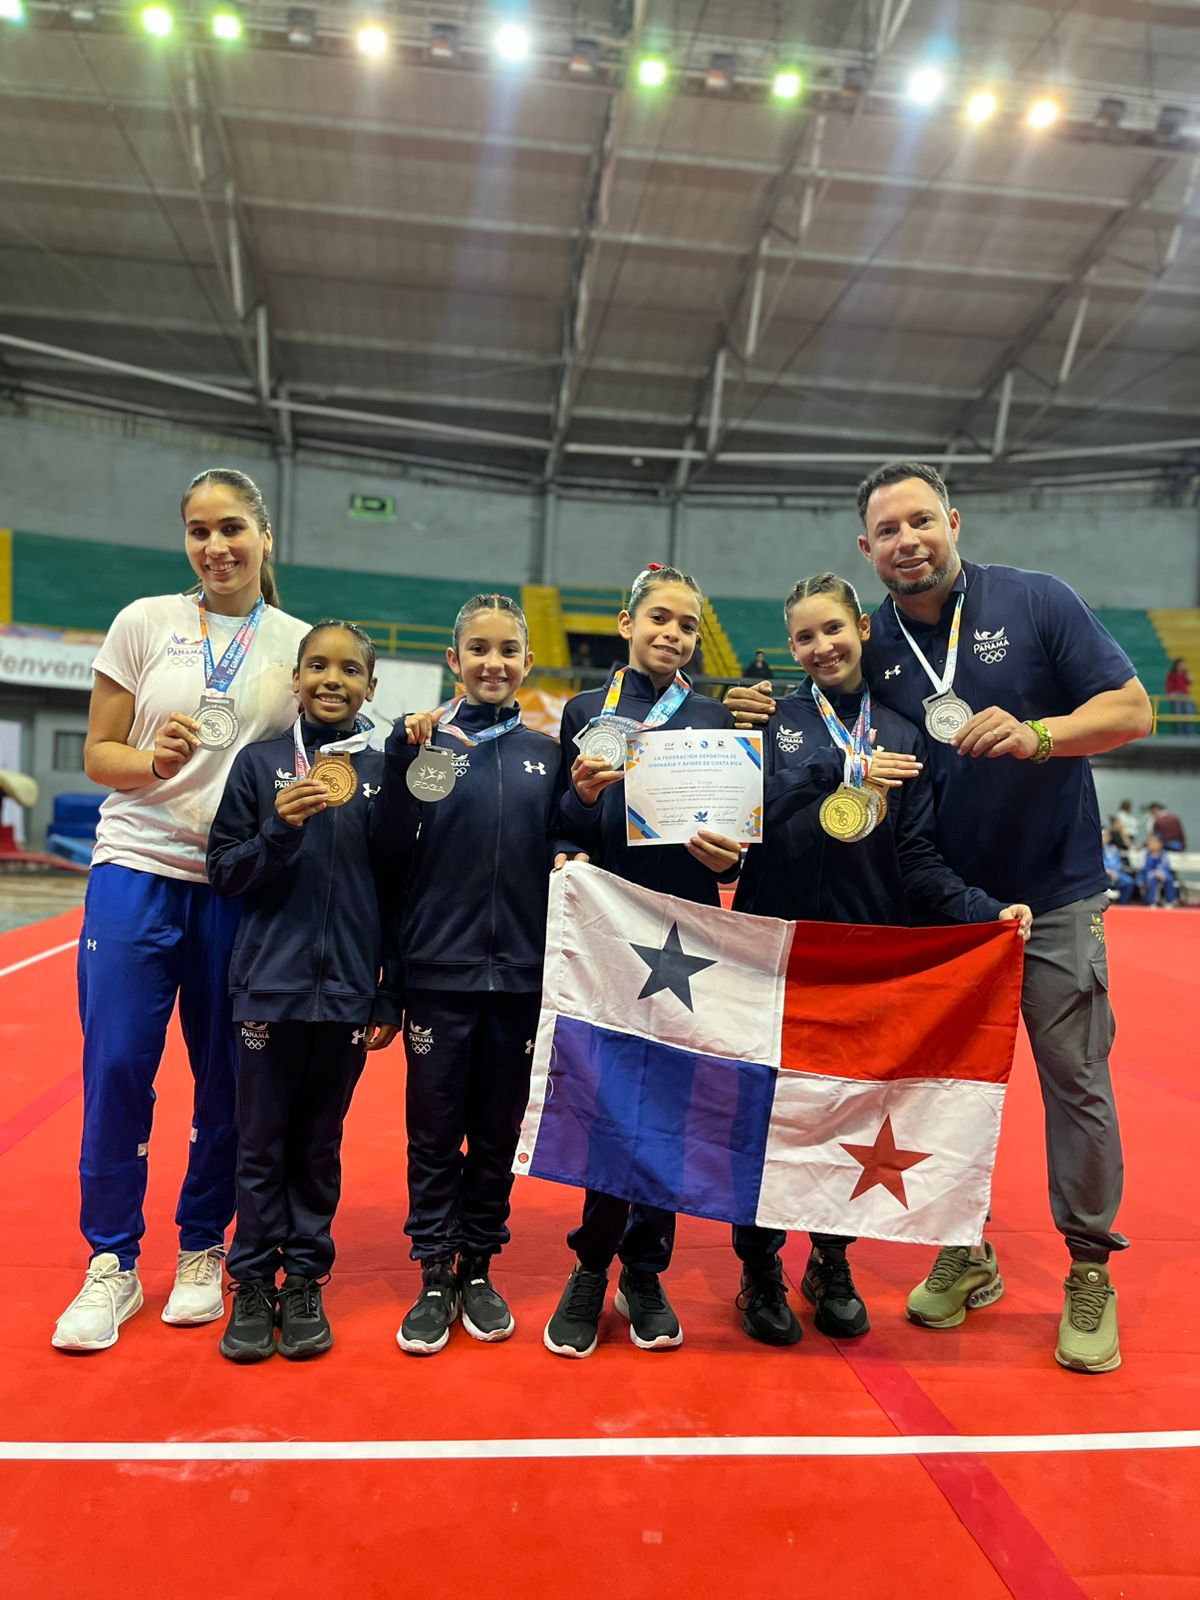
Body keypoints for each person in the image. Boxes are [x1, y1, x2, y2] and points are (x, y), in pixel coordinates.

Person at [727, 460, 1152, 1375]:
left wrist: (1042, 734)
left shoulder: (1037, 602)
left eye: (921, 521)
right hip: (936, 907)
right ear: (866, 548)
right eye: (888, 530)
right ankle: (967, 1249)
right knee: (942, 1090)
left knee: (1074, 1081)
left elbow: (1133, 710)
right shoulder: (866, 638)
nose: (908, 542)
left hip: (1055, 893)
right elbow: (817, 710)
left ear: (953, 521)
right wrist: (753, 707)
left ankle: (1088, 1270)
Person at [732, 572, 1032, 1345]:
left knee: (847, 1113)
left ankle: (831, 1258)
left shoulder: (903, 732)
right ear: (792, 646)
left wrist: (982, 910)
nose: (821, 646)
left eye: (832, 629)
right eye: (804, 636)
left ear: (861, 628)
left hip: (864, 958)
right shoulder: (768, 720)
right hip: (776, 952)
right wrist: (838, 772)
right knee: (764, 1113)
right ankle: (757, 1266)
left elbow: (920, 857)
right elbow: (741, 816)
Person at [53, 468, 309, 1353]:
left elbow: (341, 750)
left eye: (232, 527)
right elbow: (97, 755)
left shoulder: (297, 643)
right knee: (118, 1063)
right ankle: (111, 1263)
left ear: (265, 536)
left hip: (241, 886)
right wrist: (150, 762)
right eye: (198, 531)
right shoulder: (142, 624)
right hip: (136, 869)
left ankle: (203, 1245)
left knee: (228, 1081)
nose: (216, 547)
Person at [542, 563, 746, 1360]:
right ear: (626, 624)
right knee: (606, 1097)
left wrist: (727, 862)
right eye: (660, 617)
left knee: (667, 1100)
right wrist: (575, 824)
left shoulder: (713, 714)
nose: (674, 633)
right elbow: (562, 825)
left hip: (684, 937)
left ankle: (646, 1269)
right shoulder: (585, 712)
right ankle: (591, 1264)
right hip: (605, 937)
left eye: (688, 625)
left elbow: (734, 851)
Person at [372, 594, 585, 1356]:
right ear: (453, 660)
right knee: (433, 1135)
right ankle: (434, 1272)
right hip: (438, 973)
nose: (493, 662)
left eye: (507, 651)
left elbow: (569, 839)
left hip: (523, 980)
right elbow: (390, 856)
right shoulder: (424, 745)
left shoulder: (548, 753)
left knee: (496, 1134)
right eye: (478, 649)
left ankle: (479, 1267)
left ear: (527, 664)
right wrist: (400, 760)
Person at [205, 621, 402, 1362]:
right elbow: (226, 873)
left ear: (370, 688)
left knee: (319, 1146)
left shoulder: (383, 774)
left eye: (349, 670)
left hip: (347, 994)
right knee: (260, 1145)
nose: (331, 679)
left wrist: (387, 995)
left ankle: (305, 1280)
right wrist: (276, 834)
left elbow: (396, 893)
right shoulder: (259, 766)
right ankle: (252, 1281)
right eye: (316, 665)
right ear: (295, 678)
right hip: (268, 988)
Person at [1136, 834, 1179, 907]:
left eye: (1154, 842)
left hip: (1162, 873)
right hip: (1147, 874)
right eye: (1150, 843)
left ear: (1160, 844)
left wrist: (1161, 872)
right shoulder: (1145, 855)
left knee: (1169, 878)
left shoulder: (1164, 854)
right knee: (1153, 878)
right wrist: (1154, 873)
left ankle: (1169, 901)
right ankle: (1151, 901)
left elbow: (1166, 866)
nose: (1152, 844)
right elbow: (1143, 868)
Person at [1101, 828, 1134, 904]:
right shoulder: (1095, 849)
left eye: (1105, 836)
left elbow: (1117, 862)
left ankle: (1123, 904)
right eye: (1102, 836)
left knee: (1129, 882)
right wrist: (1107, 870)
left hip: (1116, 873)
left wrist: (1114, 871)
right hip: (1102, 873)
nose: (1104, 838)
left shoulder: (1113, 848)